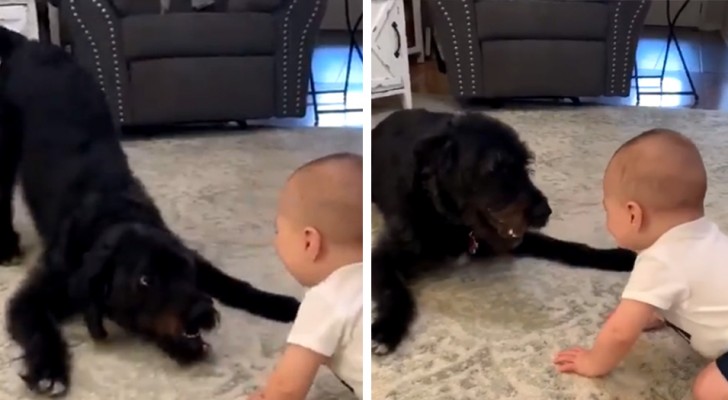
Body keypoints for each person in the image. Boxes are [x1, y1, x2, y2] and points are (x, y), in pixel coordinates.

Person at [553, 129, 728, 400]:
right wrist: (658, 313)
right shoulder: (706, 234)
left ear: (633, 214)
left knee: (709, 388)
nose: (606, 220)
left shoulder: (658, 261)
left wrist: (592, 362)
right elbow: (694, 285)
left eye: (608, 210)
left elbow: (620, 333)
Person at [249, 152, 363, 400]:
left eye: (277, 230)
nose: (274, 240)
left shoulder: (325, 299)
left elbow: (287, 389)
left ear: (310, 242)